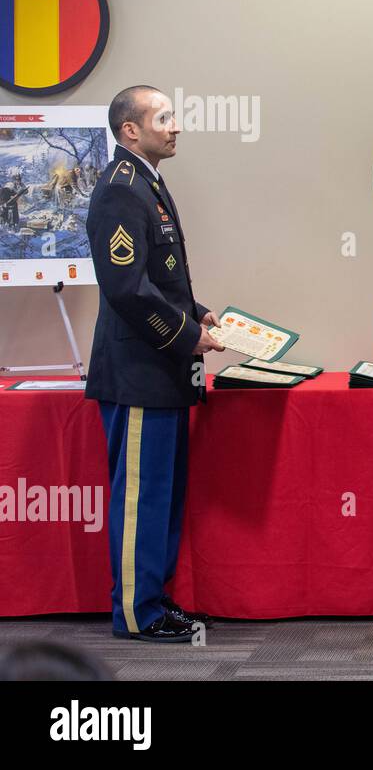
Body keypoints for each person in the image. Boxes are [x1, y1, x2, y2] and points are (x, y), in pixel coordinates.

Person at [86, 85, 223, 642]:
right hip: (139, 372)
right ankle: (138, 614)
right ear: (130, 131)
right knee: (141, 501)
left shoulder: (147, 183)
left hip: (161, 370)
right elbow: (126, 288)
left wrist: (202, 314)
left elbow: (161, 278)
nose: (176, 126)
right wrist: (185, 334)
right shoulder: (122, 189)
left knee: (161, 497)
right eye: (163, 117)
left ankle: (156, 601)